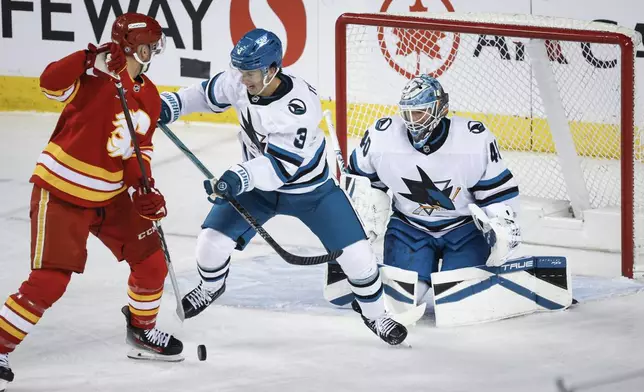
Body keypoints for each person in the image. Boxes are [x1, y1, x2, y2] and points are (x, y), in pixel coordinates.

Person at [158, 28, 407, 346]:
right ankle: (210, 287)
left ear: (272, 69)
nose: (243, 79)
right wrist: (170, 105)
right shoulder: (239, 80)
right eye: (241, 71)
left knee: (359, 258)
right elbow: (205, 94)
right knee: (209, 244)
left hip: (311, 193)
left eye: (250, 73)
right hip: (256, 189)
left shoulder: (298, 107)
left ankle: (376, 316)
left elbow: (279, 169)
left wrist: (237, 177)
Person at [0, 12, 183, 390]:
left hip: (111, 195)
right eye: (148, 45)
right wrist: (88, 58)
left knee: (151, 264)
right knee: (49, 281)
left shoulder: (147, 93)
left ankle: (141, 332)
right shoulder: (92, 72)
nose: (153, 52)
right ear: (131, 47)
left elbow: (136, 149)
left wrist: (144, 190)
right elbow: (49, 84)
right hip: (64, 189)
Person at [346, 74, 522, 304]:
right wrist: (363, 220)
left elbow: (497, 194)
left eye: (419, 112)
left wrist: (501, 229)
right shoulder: (382, 137)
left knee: (457, 300)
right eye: (407, 113)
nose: (412, 120)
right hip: (409, 229)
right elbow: (362, 183)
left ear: (441, 109)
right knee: (403, 299)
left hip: (464, 231)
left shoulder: (473, 139)